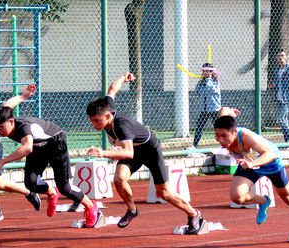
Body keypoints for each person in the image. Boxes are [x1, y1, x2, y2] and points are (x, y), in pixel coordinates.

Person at [86, 72, 202, 233]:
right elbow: (112, 89)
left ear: (107, 116)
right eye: (91, 120)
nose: (94, 124)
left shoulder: (121, 126)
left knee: (164, 193)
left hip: (149, 149)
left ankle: (193, 214)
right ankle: (132, 210)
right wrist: (124, 78)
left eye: (96, 121)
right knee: (119, 179)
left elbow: (128, 154)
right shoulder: (106, 106)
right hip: (135, 148)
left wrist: (103, 153)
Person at [0, 84, 99, 226]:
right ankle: (52, 192)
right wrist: (23, 96)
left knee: (65, 187)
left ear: (11, 122)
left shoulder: (24, 128)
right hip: (38, 147)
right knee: (31, 183)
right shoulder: (5, 116)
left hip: (55, 144)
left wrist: (1, 162)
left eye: (1, 127)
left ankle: (90, 205)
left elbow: (27, 148)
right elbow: (7, 105)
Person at [213, 114, 289, 242]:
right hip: (249, 162)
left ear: (234, 132)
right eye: (217, 135)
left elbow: (270, 154)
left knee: (288, 197)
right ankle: (263, 201)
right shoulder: (225, 137)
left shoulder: (246, 137)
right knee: (237, 197)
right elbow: (223, 112)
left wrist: (252, 164)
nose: (220, 140)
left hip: (270, 163)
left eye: (224, 136)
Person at [187, 62, 221, 150]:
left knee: (218, 128)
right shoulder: (202, 82)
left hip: (214, 109)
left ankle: (224, 144)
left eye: (207, 71)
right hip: (204, 109)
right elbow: (197, 90)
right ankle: (194, 144)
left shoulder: (214, 81)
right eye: (204, 71)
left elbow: (211, 89)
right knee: (199, 126)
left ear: (211, 72)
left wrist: (209, 80)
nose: (205, 73)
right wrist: (202, 81)